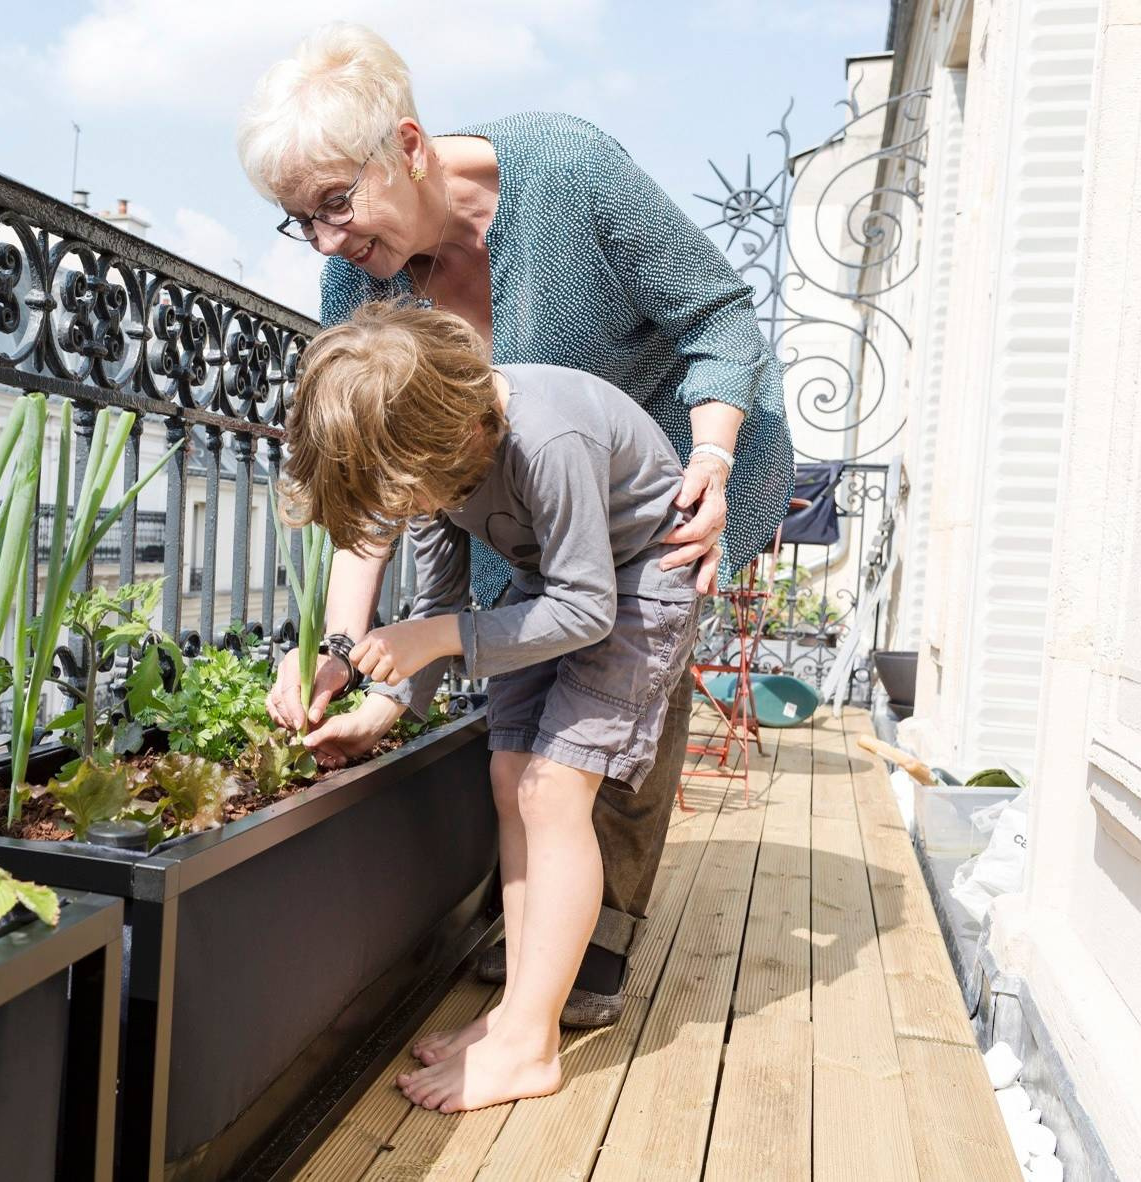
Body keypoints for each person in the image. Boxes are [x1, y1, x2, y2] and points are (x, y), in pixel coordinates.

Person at [238, 22, 792, 1026]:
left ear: (406, 147)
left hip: (671, 462)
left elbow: (718, 317)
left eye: (333, 205)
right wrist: (336, 648)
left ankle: (594, 939)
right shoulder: (356, 276)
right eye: (298, 220)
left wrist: (709, 457)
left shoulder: (567, 171)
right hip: (513, 479)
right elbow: (378, 476)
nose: (324, 242)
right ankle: (542, 911)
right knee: (533, 718)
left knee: (621, 682)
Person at [278, 302, 698, 1112]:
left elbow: (588, 612)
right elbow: (440, 595)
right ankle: (514, 1015)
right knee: (511, 775)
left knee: (553, 788)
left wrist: (434, 637)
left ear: (464, 430)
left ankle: (532, 1046)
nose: (411, 511)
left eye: (413, 495)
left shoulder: (549, 438)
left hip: (639, 582)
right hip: (557, 585)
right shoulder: (436, 454)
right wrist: (380, 699)